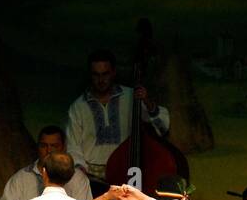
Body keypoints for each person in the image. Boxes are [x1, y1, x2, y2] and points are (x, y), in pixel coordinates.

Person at [66, 49, 171, 184]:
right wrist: (81, 173)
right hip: (92, 176)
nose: (101, 80)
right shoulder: (78, 107)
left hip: (127, 172)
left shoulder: (131, 97)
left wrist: (147, 101)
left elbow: (162, 127)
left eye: (105, 74)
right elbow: (73, 146)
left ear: (113, 73)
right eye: (96, 75)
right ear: (90, 75)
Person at [0, 126, 93, 200]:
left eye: (54, 146)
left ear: (63, 148)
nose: (49, 150)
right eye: (43, 146)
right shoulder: (21, 178)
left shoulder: (77, 178)